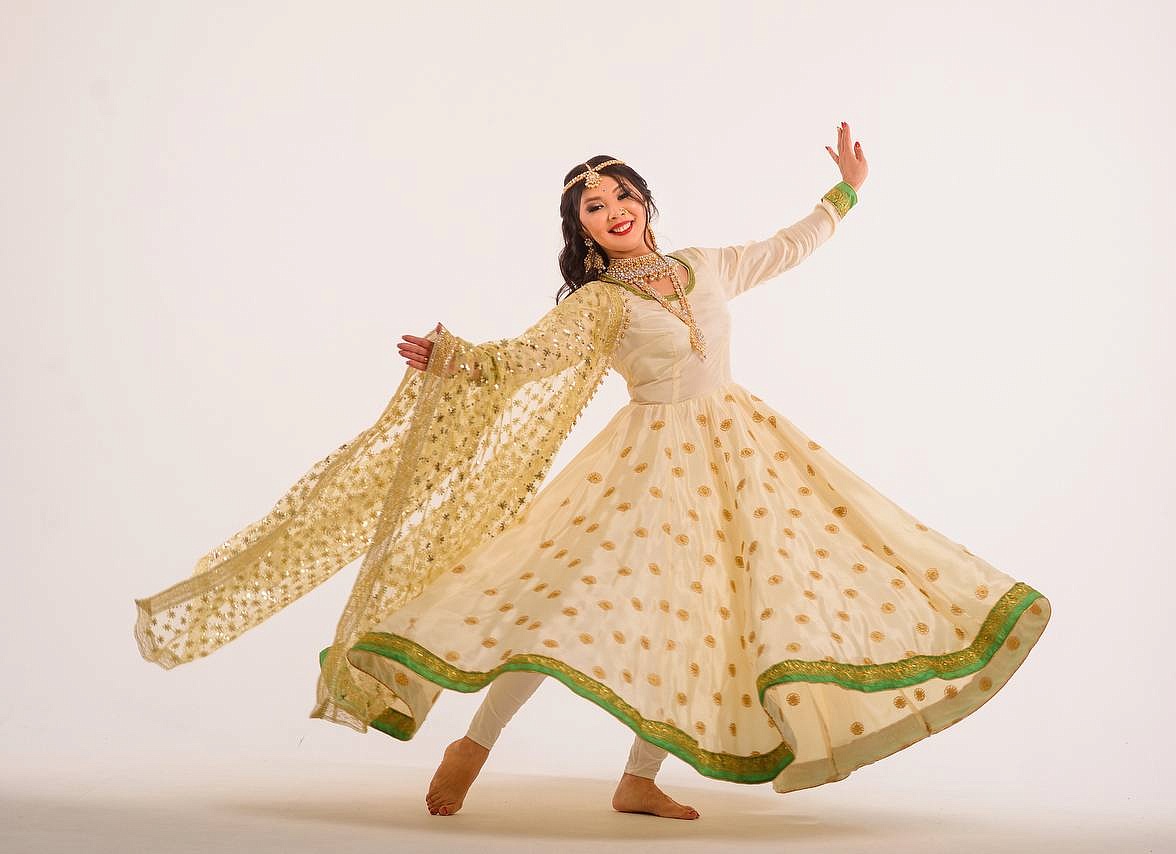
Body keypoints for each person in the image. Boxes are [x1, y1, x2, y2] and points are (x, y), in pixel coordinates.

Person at [134, 121, 1052, 822]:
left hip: (741, 455)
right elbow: (523, 358)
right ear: (581, 231)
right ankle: (471, 747)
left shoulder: (705, 266)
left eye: (622, 195)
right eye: (593, 208)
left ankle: (638, 780)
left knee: (713, 613)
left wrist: (844, 193)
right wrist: (457, 360)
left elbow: (789, 244)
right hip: (647, 466)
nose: (613, 211)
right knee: (558, 608)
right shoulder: (597, 304)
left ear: (645, 200)